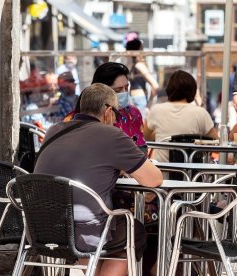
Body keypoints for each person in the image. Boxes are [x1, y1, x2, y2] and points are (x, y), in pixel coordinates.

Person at [34, 83, 163, 276]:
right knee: (132, 231)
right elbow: (154, 179)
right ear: (108, 112)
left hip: (40, 226)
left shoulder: (54, 130)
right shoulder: (112, 135)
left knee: (104, 224)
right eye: (117, 115)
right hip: (83, 231)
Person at [65, 62, 148, 154]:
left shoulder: (133, 114)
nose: (124, 93)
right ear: (99, 91)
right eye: (117, 90)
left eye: (126, 87)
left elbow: (142, 146)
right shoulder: (74, 119)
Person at [144, 70, 218, 162]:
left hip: (163, 172)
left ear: (169, 88)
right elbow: (216, 144)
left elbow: (145, 138)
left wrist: (163, 134)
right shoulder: (200, 113)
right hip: (192, 173)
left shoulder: (156, 110)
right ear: (193, 90)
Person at [126, 39, 160, 118]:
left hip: (135, 100)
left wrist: (149, 104)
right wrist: (149, 104)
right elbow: (155, 85)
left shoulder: (134, 65)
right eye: (141, 48)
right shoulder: (138, 65)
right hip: (137, 100)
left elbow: (155, 86)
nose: (143, 51)